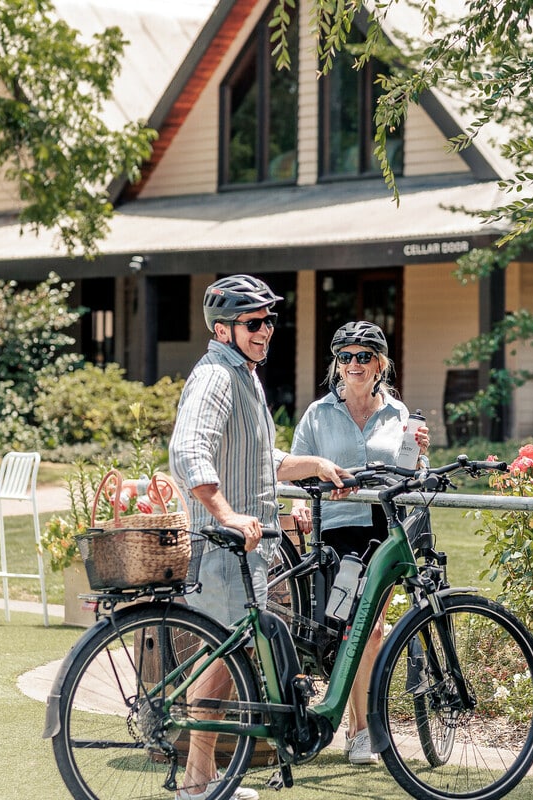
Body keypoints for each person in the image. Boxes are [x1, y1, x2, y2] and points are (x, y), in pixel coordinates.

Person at [169, 274, 352, 800]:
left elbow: (256, 460)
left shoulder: (244, 376)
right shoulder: (215, 378)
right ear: (223, 330)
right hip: (222, 547)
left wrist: (312, 465)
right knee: (222, 660)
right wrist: (225, 513)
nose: (266, 330)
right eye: (254, 322)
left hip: (249, 549)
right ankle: (195, 784)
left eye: (269, 320)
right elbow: (189, 451)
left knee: (230, 660)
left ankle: (199, 781)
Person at [288, 320, 430, 766]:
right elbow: (295, 468)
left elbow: (415, 473)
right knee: (344, 629)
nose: (353, 364)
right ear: (337, 364)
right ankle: (348, 722)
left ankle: (363, 730)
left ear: (380, 365)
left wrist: (423, 452)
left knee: (369, 629)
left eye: (363, 356)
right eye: (345, 357)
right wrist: (298, 505)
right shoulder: (317, 413)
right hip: (334, 528)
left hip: (383, 529)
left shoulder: (400, 414)